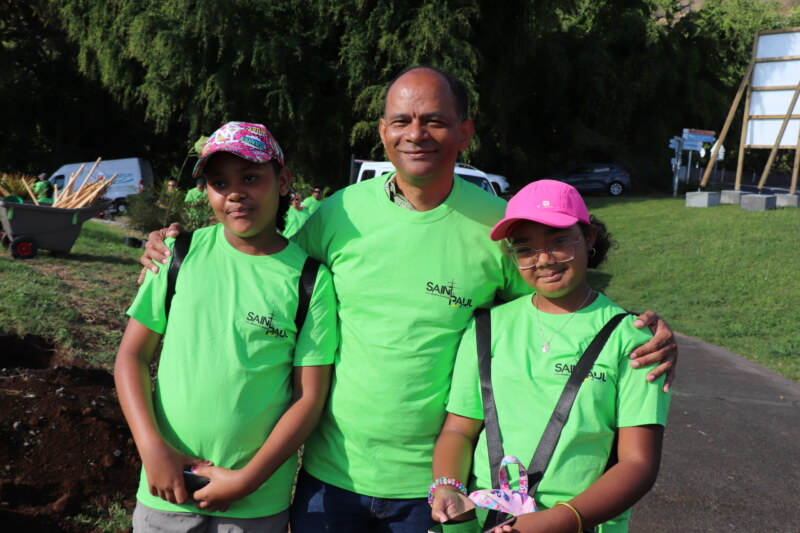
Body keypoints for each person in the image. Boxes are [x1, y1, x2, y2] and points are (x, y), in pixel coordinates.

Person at [138, 67, 677, 533]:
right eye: (401, 121)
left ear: (465, 131)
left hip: (437, 490)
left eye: (435, 120)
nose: (416, 134)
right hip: (331, 477)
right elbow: (261, 263)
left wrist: (637, 334)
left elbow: (557, 303)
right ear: (382, 132)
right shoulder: (337, 215)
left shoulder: (496, 227)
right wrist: (169, 248)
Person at [116, 121, 337, 532]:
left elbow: (307, 398)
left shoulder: (309, 280)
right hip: (166, 491)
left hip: (255, 503)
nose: (235, 192)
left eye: (251, 177)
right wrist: (151, 449)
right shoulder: (176, 254)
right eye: (220, 182)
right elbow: (132, 354)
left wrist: (247, 480)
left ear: (283, 181)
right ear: (207, 192)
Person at [431, 180, 670, 533]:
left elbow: (638, 464)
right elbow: (459, 429)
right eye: (526, 249)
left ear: (588, 238)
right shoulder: (487, 326)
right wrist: (448, 488)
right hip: (479, 523)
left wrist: (557, 521)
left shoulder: (633, 338)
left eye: (559, 241)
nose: (543, 259)